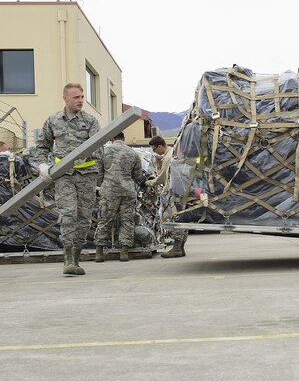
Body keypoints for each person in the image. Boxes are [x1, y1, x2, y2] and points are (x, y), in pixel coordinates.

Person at [35, 83, 102, 276]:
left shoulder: (90, 121)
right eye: (76, 97)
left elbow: (99, 148)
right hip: (64, 177)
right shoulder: (53, 120)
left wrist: (83, 156)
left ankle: (77, 257)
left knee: (83, 219)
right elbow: (42, 146)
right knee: (69, 215)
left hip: (87, 176)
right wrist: (42, 165)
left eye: (82, 97)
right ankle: (68, 261)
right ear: (65, 98)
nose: (81, 100)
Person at [95, 132, 144, 262]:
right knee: (127, 221)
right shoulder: (133, 153)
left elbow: (98, 173)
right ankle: (124, 252)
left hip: (109, 190)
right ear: (124, 138)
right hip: (127, 191)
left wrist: (103, 185)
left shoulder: (104, 151)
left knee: (104, 219)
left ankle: (99, 252)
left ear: (112, 138)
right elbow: (138, 176)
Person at [146, 135, 188, 258]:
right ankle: (180, 248)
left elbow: (163, 177)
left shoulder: (168, 157)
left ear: (159, 146)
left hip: (172, 192)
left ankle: (177, 249)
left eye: (154, 150)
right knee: (181, 219)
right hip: (180, 191)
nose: (155, 152)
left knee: (174, 219)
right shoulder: (173, 153)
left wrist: (150, 182)